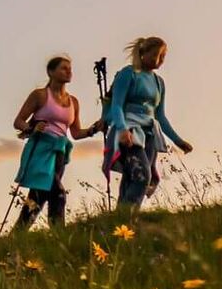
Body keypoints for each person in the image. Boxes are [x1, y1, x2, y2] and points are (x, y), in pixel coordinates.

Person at [11, 55, 103, 230]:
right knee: (58, 193)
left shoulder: (73, 101)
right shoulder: (39, 95)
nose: (69, 71)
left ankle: (17, 235)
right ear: (51, 72)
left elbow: (75, 133)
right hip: (40, 148)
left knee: (39, 195)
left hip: (60, 151)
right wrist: (32, 128)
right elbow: (19, 121)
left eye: (70, 68)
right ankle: (60, 234)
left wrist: (94, 129)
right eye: (63, 68)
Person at [102, 36, 193, 209]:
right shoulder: (128, 74)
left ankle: (120, 220)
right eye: (157, 55)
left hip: (150, 134)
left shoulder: (159, 83)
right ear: (143, 53)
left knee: (132, 178)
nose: (160, 60)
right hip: (130, 130)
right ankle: (129, 216)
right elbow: (116, 105)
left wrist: (178, 141)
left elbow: (160, 116)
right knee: (142, 175)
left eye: (163, 56)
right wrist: (122, 130)